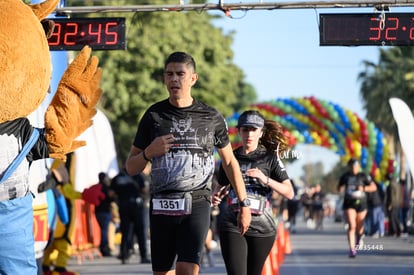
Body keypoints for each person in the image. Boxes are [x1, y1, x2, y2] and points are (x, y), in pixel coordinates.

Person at [125, 51, 252, 275]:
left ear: (193, 78)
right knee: (163, 272)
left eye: (180, 74)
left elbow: (230, 162)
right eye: (169, 74)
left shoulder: (211, 116)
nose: (174, 79)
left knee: (187, 269)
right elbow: (131, 166)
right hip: (161, 204)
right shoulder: (154, 115)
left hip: (197, 202)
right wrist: (148, 152)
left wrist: (244, 204)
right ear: (164, 78)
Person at [212, 110, 294, 275]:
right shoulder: (230, 158)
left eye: (254, 129)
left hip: (262, 224)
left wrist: (265, 179)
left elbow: (289, 192)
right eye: (245, 129)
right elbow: (219, 188)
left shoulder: (271, 158)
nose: (249, 133)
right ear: (239, 131)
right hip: (232, 221)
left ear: (261, 132)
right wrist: (216, 197)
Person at [338, 158, 377, 258]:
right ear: (349, 167)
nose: (353, 168)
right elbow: (339, 188)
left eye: (355, 166)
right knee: (352, 226)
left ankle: (359, 238)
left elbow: (373, 187)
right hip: (349, 203)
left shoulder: (363, 176)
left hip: (362, 204)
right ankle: (352, 249)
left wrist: (363, 188)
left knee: (359, 228)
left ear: (359, 167)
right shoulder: (345, 176)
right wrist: (341, 189)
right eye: (351, 166)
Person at [110, 169, 151, 264]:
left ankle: (124, 256)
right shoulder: (139, 175)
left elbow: (111, 193)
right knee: (141, 232)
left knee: (125, 231)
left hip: (123, 206)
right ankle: (143, 256)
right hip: (137, 206)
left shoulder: (117, 177)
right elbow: (144, 189)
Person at [94, 172, 115, 256]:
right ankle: (104, 248)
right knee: (104, 230)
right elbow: (111, 198)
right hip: (105, 211)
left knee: (102, 230)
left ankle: (103, 247)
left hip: (97, 211)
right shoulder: (106, 188)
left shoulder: (96, 187)